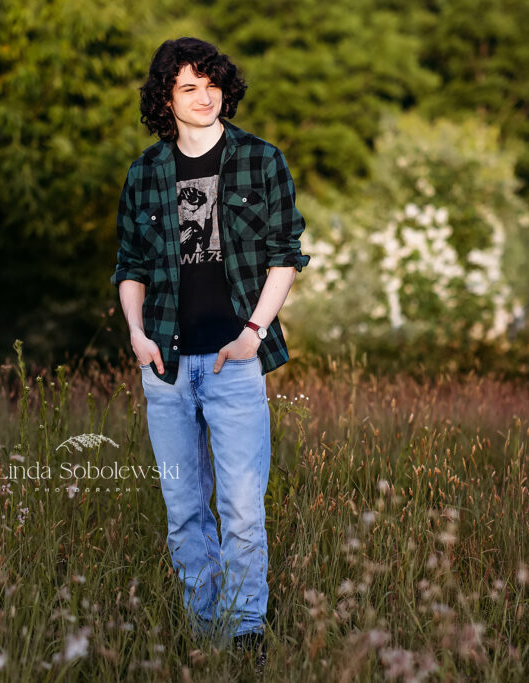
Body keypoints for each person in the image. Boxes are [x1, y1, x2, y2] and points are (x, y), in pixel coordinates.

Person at [110, 37, 309, 671]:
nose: (204, 96)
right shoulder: (146, 172)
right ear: (166, 100)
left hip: (234, 360)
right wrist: (138, 338)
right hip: (164, 363)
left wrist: (253, 330)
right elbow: (130, 264)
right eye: (188, 87)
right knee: (184, 509)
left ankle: (245, 633)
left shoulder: (259, 160)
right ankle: (204, 629)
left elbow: (287, 254)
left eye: (212, 83)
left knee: (242, 507)